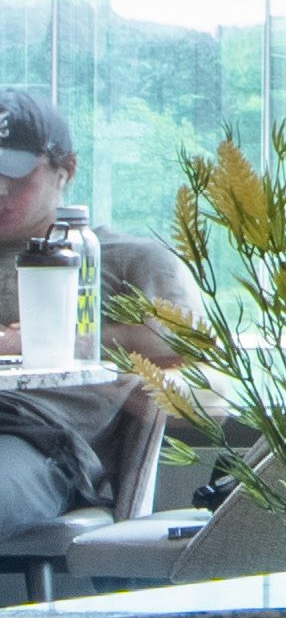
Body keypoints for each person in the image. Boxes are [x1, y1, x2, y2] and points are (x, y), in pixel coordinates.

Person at [0, 96, 195, 551]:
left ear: (65, 169)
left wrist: (41, 341)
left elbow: (181, 339)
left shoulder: (125, 260)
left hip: (36, 439)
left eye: (15, 172)